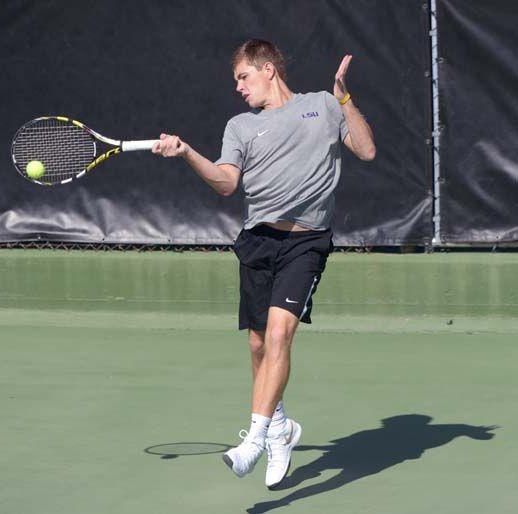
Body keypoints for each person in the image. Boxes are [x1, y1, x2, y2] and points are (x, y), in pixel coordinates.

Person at [152, 39, 376, 489]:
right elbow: (225, 183)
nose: (238, 87)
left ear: (268, 69)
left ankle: (254, 440)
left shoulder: (322, 106)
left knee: (279, 334)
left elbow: (366, 150)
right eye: (236, 79)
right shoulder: (239, 127)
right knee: (258, 345)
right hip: (257, 241)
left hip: (306, 242)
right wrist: (187, 153)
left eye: (243, 76)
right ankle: (280, 428)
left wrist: (344, 96)